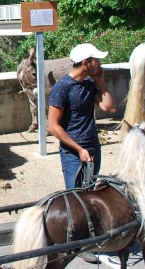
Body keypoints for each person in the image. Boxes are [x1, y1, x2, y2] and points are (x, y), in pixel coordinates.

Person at [48, 43, 116, 263]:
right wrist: (78, 149)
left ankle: (87, 238)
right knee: (75, 199)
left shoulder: (89, 83)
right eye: (97, 60)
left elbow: (109, 108)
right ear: (86, 63)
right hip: (73, 153)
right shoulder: (63, 87)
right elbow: (53, 126)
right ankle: (77, 244)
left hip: (92, 147)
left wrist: (100, 80)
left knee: (90, 193)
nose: (100, 63)